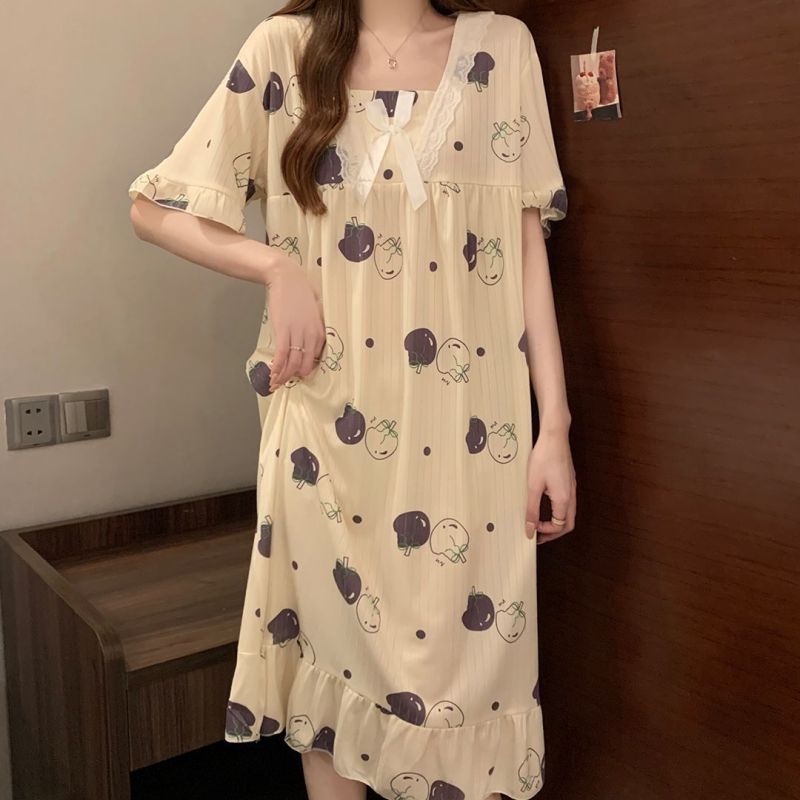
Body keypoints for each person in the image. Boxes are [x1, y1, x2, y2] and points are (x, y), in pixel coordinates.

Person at [128, 0, 577, 797]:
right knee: (331, 692)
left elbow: (526, 251)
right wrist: (276, 268)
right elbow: (152, 209)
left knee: (469, 692)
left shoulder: (504, 50)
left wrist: (555, 430)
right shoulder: (283, 50)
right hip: (324, 440)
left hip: (472, 446)